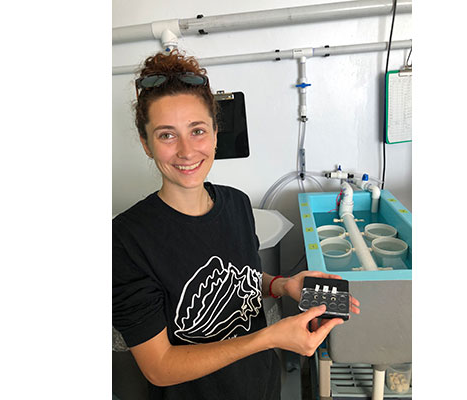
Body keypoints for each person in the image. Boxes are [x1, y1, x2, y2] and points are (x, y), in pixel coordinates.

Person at [112, 49, 360, 400]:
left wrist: (282, 285)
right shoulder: (126, 239)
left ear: (215, 133)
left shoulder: (237, 204)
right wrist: (269, 338)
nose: (186, 151)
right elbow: (159, 366)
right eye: (167, 135)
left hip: (261, 388)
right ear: (146, 144)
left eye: (197, 130)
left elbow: (241, 277)